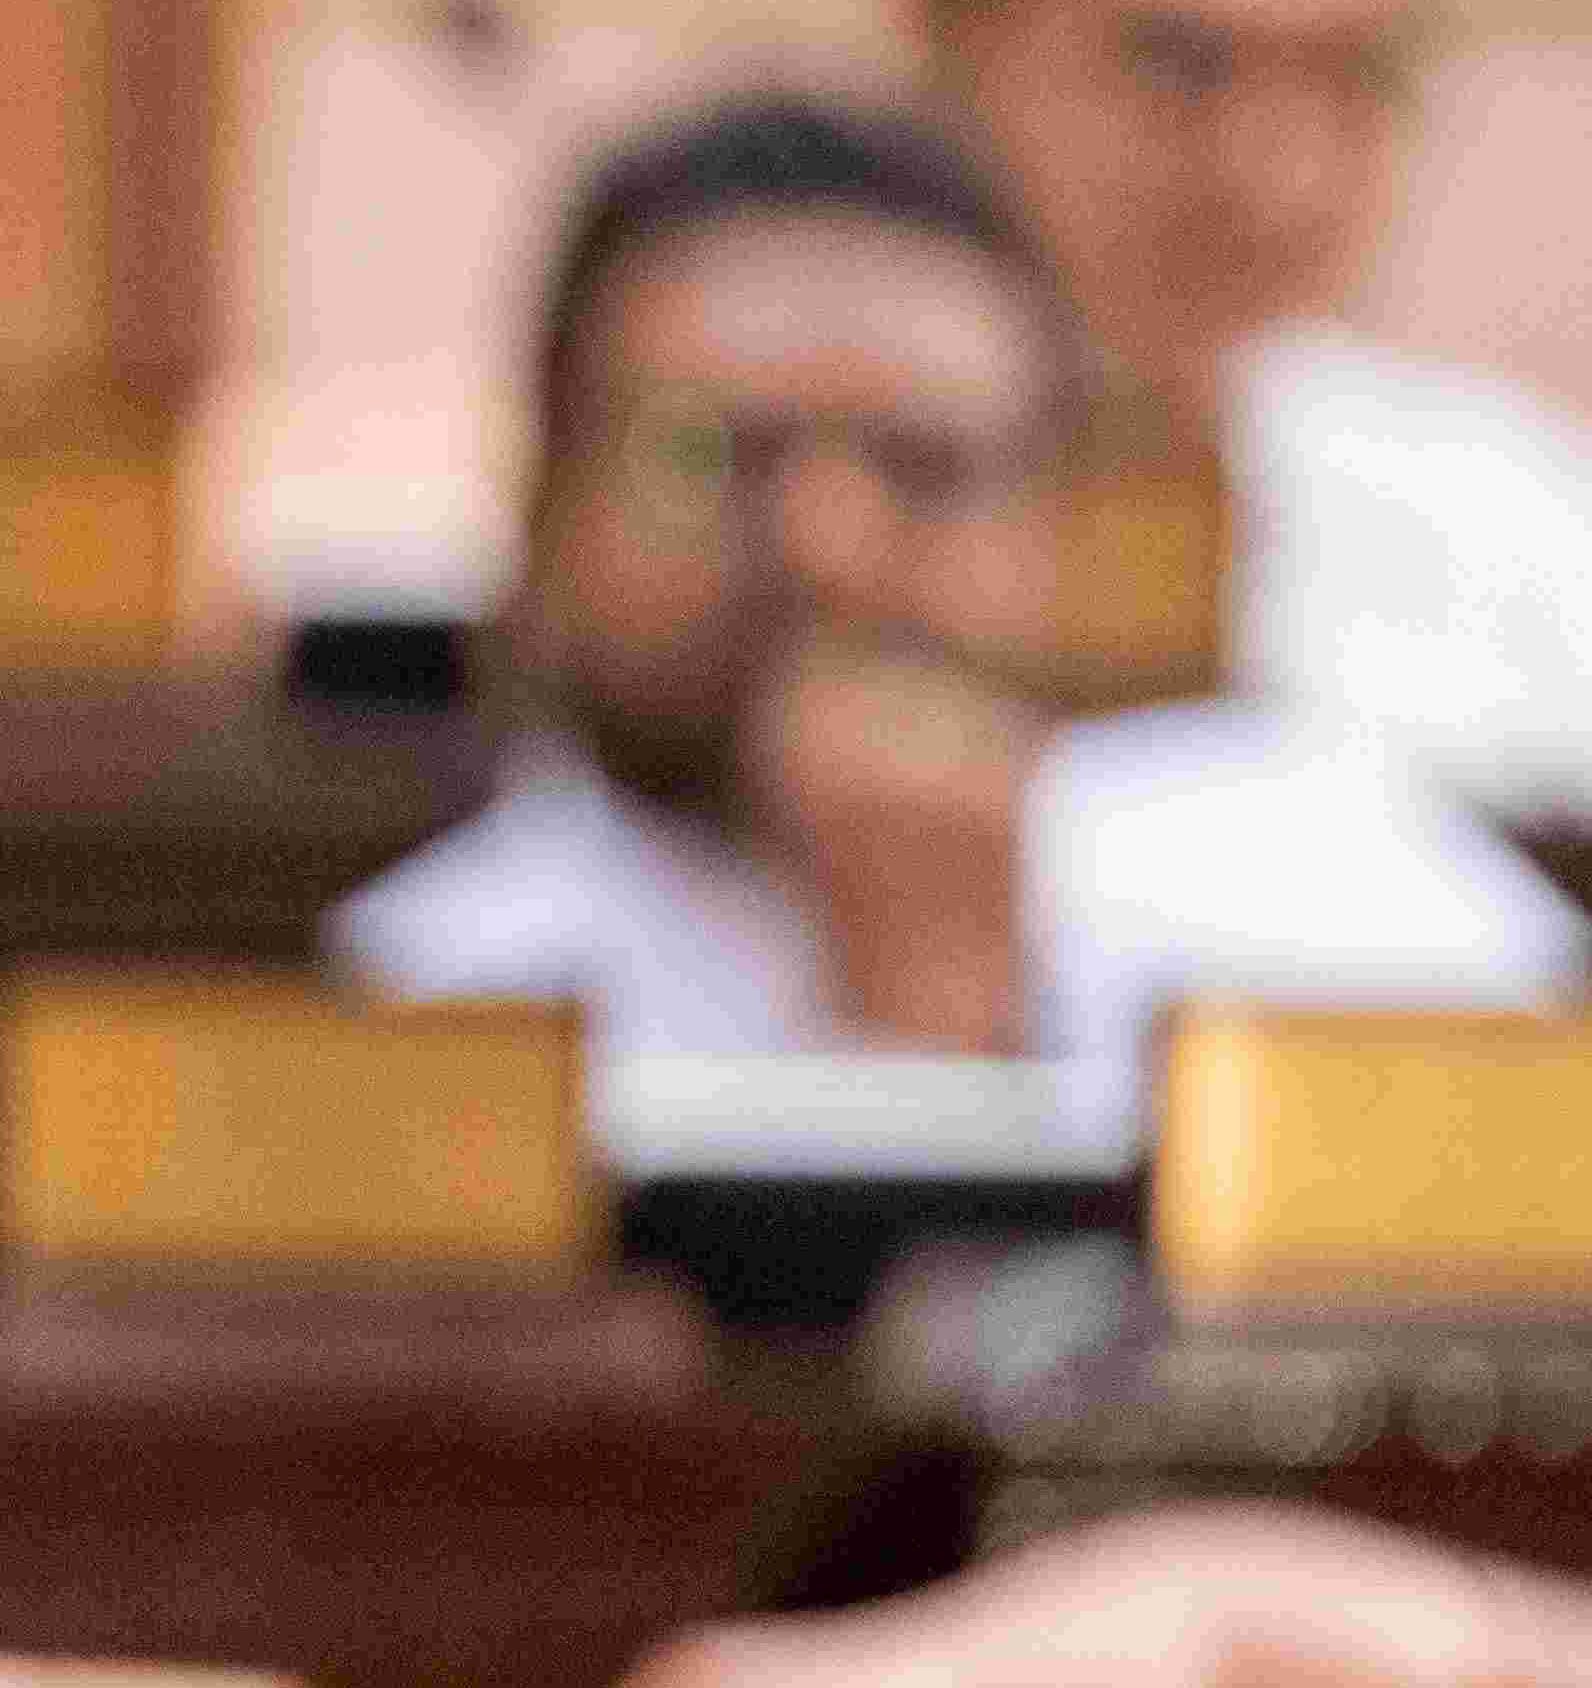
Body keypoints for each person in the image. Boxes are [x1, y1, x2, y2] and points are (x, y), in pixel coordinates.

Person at [332, 85, 1577, 1075]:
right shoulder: (421, 1016)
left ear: (1049, 516)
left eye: (924, 468)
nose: (831, 544)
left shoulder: (1345, 905)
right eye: (720, 457)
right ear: (547, 501)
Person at [917, 0, 1592, 801]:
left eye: (1350, 75)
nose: (1279, 176)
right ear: (948, 36)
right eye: (1177, 64)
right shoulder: (728, 520)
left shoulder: (1513, 533)